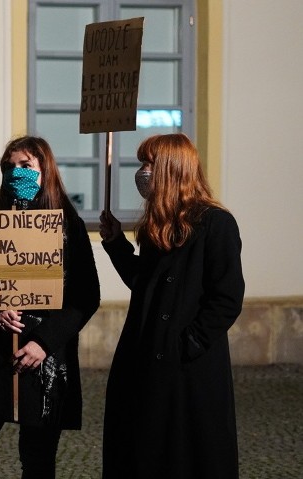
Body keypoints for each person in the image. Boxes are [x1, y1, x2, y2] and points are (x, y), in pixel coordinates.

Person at [0, 136, 100, 479]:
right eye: (9, 166)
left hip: (43, 360)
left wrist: (44, 342)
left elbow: (86, 296)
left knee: (38, 461)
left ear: (44, 170)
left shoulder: (65, 222)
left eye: (25, 166)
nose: (16, 172)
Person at [99, 133, 244, 479]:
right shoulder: (157, 225)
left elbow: (226, 298)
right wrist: (116, 244)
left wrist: (187, 344)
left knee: (185, 455)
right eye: (141, 164)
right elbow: (144, 284)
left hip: (187, 371)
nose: (142, 172)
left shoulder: (216, 223)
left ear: (171, 169)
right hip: (145, 358)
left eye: (149, 164)